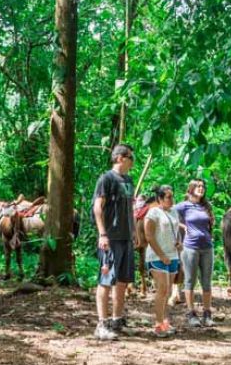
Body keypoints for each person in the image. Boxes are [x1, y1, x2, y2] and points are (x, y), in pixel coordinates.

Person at [92, 144, 136, 341]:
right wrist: (102, 234)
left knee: (123, 281)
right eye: (130, 157)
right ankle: (102, 324)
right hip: (110, 238)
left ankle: (117, 321)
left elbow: (131, 208)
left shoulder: (128, 180)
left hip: (126, 237)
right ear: (120, 158)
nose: (133, 162)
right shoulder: (106, 179)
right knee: (106, 281)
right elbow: (97, 208)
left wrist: (134, 231)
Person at [174, 178, 215, 327]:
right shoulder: (184, 206)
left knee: (206, 282)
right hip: (190, 248)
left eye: (203, 186)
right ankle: (191, 313)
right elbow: (168, 213)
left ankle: (207, 313)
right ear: (191, 188)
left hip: (207, 247)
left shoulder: (205, 206)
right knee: (190, 280)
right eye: (198, 186)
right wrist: (182, 225)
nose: (201, 188)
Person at [144, 185, 181, 337]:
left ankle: (165, 321)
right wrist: (161, 255)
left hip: (173, 255)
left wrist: (178, 242)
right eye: (168, 197)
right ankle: (158, 325)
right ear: (160, 199)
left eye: (172, 196)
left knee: (168, 291)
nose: (172, 200)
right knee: (162, 289)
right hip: (156, 256)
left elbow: (176, 231)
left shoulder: (174, 212)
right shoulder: (153, 212)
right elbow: (149, 236)